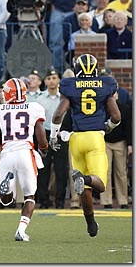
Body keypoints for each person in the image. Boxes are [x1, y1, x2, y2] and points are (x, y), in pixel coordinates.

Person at [49, 54, 121, 237]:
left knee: (82, 188)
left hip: (76, 140)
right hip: (95, 137)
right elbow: (116, 116)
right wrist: (109, 127)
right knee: (100, 183)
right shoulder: (106, 84)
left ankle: (90, 222)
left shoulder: (69, 85)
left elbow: (58, 114)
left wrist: (54, 135)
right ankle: (86, 179)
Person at [0, 78, 48, 241]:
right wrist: (44, 149)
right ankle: (21, 230)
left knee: (6, 201)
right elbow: (41, 136)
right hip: (26, 153)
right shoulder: (34, 108)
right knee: (29, 197)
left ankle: (8, 190)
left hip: (7, 153)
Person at [46, 0, 92, 72]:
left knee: (73, 43)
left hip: (75, 14)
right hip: (57, 11)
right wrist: (52, 5)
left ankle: (74, 70)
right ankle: (56, 71)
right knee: (55, 43)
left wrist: (80, 11)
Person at [36, 69, 69, 209]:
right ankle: (44, 201)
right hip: (45, 134)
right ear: (45, 81)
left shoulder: (64, 98)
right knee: (43, 169)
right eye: (48, 78)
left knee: (61, 170)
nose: (51, 81)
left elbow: (67, 116)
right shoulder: (40, 99)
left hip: (60, 135)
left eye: (54, 78)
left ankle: (60, 201)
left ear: (59, 80)